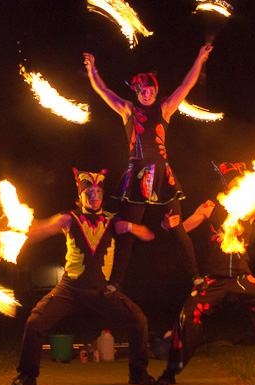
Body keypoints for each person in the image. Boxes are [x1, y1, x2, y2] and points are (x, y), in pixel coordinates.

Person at [155, 162, 255, 385]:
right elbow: (184, 228)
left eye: (241, 179)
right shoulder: (211, 207)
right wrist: (166, 225)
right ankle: (170, 372)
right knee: (188, 316)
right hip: (213, 279)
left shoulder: (254, 210)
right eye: (235, 181)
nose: (240, 183)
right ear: (227, 186)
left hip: (243, 278)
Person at [7, 168, 156, 385]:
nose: (94, 195)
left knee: (139, 320)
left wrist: (130, 226)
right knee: (35, 322)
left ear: (103, 195)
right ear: (80, 195)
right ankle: (27, 375)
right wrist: (11, 230)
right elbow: (39, 230)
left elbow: (149, 234)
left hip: (101, 291)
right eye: (89, 192)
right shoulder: (68, 219)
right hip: (70, 289)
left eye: (97, 191)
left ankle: (138, 374)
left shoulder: (113, 221)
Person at [83, 46, 213, 291]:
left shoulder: (165, 108)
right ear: (137, 92)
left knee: (176, 226)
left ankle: (195, 276)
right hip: (136, 176)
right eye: (143, 91)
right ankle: (116, 282)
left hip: (163, 175)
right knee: (126, 230)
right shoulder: (127, 110)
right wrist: (93, 70)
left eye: (151, 90)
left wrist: (200, 58)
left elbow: (187, 84)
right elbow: (103, 90)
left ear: (156, 91)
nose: (147, 94)